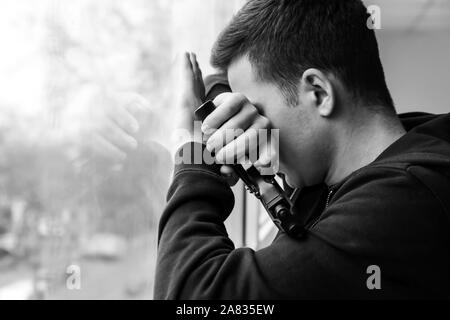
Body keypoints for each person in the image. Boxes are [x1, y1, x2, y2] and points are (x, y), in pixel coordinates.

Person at [154, 0, 450, 299]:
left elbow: (191, 299)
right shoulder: (352, 176)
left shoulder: (403, 201)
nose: (255, 126)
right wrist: (225, 111)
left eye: (258, 110)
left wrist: (192, 153)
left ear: (319, 93)